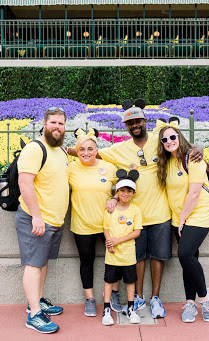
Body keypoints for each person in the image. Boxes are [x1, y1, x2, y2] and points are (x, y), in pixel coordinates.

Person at [67, 100, 202, 318]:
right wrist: (63, 149)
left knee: (158, 257)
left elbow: (180, 146)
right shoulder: (119, 149)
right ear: (126, 126)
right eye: (130, 122)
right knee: (136, 258)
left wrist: (198, 147)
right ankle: (138, 297)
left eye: (138, 120)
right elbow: (90, 153)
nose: (134, 125)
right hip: (134, 215)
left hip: (160, 212)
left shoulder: (160, 141)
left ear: (145, 121)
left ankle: (155, 298)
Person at [156, 120, 209, 323]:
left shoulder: (193, 158)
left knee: (184, 253)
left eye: (173, 137)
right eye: (165, 139)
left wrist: (182, 219)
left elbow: (194, 192)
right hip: (177, 217)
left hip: (197, 213)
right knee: (189, 260)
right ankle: (190, 303)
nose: (169, 141)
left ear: (180, 137)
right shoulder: (166, 162)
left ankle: (205, 299)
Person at [15, 107, 69, 334]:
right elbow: (25, 183)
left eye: (61, 124)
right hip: (35, 219)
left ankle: (36, 300)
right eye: (53, 123)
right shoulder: (34, 149)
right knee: (33, 264)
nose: (57, 127)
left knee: (42, 262)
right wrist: (36, 216)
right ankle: (34, 314)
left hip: (54, 221)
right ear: (44, 124)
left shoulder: (60, 151)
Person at [69, 128, 119, 317]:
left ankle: (113, 293)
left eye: (90, 149)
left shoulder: (108, 166)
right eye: (81, 149)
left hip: (107, 224)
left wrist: (115, 197)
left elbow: (124, 183)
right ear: (77, 151)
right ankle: (89, 298)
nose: (86, 153)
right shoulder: (71, 168)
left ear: (96, 149)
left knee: (114, 260)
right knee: (86, 261)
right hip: (82, 225)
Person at [102, 170, 143, 326]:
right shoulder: (110, 210)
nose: (126, 194)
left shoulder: (135, 210)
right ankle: (106, 310)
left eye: (129, 191)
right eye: (122, 191)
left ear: (133, 193)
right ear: (117, 192)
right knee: (109, 280)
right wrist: (109, 242)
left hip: (128, 255)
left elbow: (137, 232)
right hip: (112, 254)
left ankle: (131, 309)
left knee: (130, 281)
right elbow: (105, 228)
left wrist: (118, 240)